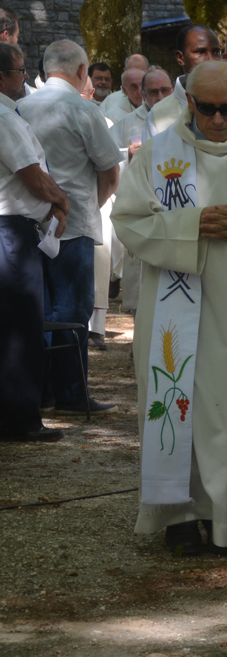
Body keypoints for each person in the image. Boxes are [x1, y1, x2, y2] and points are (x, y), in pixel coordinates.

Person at [114, 60, 227, 555]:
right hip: (176, 309)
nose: (218, 119)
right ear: (190, 102)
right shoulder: (158, 154)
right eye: (208, 108)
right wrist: (191, 226)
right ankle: (180, 514)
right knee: (181, 400)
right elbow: (128, 220)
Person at [17, 40, 123, 414]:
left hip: (30, 221)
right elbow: (110, 171)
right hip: (74, 223)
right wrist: (91, 207)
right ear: (82, 72)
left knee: (39, 310)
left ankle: (42, 390)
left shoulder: (19, 107)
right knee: (74, 311)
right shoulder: (83, 109)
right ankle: (71, 392)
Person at [0, 41, 68, 442]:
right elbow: (32, 176)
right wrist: (61, 200)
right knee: (21, 325)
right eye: (19, 70)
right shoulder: (4, 117)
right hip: (10, 230)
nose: (25, 76)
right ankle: (21, 419)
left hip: (11, 227)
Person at [150, 24, 222, 136]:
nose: (211, 60)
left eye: (216, 52)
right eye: (200, 52)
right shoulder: (157, 115)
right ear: (180, 58)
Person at [100, 55, 148, 123]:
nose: (139, 91)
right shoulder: (110, 105)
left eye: (142, 71)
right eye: (132, 71)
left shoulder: (156, 101)